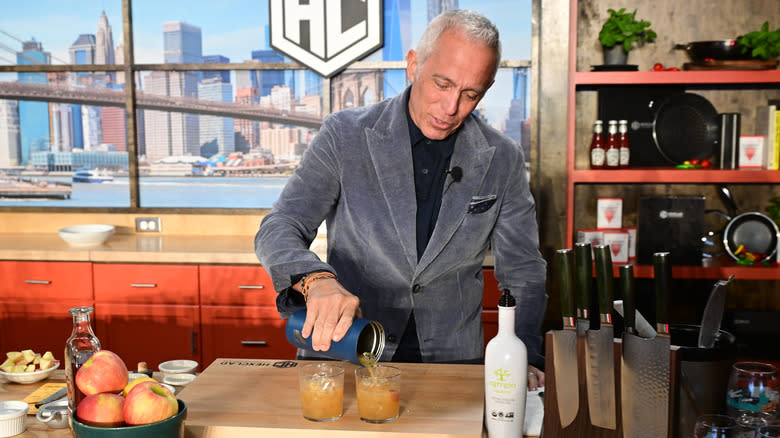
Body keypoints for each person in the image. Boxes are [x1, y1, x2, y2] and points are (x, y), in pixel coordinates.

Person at [255, 9, 547, 388]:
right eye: (441, 84)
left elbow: (523, 271)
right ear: (413, 65)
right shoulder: (344, 135)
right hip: (348, 352)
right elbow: (280, 227)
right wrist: (315, 279)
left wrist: (525, 352)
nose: (451, 108)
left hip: (452, 363)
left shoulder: (503, 157)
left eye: (470, 94)